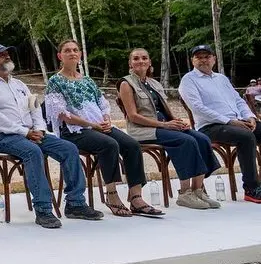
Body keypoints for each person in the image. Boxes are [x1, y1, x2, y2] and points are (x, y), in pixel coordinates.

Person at [0, 44, 103, 229]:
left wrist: (40, 129)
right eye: (1, 55)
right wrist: (25, 132)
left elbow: (35, 110)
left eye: (8, 54)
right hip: (1, 137)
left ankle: (75, 204)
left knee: (68, 148)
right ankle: (43, 209)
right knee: (33, 152)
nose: (7, 57)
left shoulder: (20, 85)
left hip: (31, 133)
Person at [45, 40, 163, 218]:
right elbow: (61, 114)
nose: (72, 53)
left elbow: (102, 104)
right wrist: (92, 124)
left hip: (99, 126)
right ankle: (112, 194)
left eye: (75, 50)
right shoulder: (55, 81)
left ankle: (136, 196)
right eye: (67, 51)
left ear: (80, 55)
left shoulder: (87, 80)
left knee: (131, 145)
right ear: (60, 56)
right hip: (73, 130)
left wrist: (106, 119)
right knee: (109, 144)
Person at [118, 48, 221, 209]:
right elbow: (133, 116)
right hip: (144, 129)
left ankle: (198, 190)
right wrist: (164, 125)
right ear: (130, 63)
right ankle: (185, 193)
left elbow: (164, 109)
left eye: (144, 58)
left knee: (202, 138)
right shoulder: (126, 84)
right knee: (185, 141)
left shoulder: (154, 83)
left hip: (166, 126)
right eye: (136, 59)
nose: (141, 61)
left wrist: (177, 121)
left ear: (150, 62)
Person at [178, 45, 261, 204]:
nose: (203, 60)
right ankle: (251, 188)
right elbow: (198, 108)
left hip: (238, 122)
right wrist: (229, 121)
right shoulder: (189, 80)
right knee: (246, 137)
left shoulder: (221, 78)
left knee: (256, 130)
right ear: (192, 61)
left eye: (207, 56)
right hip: (211, 127)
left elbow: (238, 100)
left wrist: (250, 117)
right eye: (199, 57)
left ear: (214, 59)